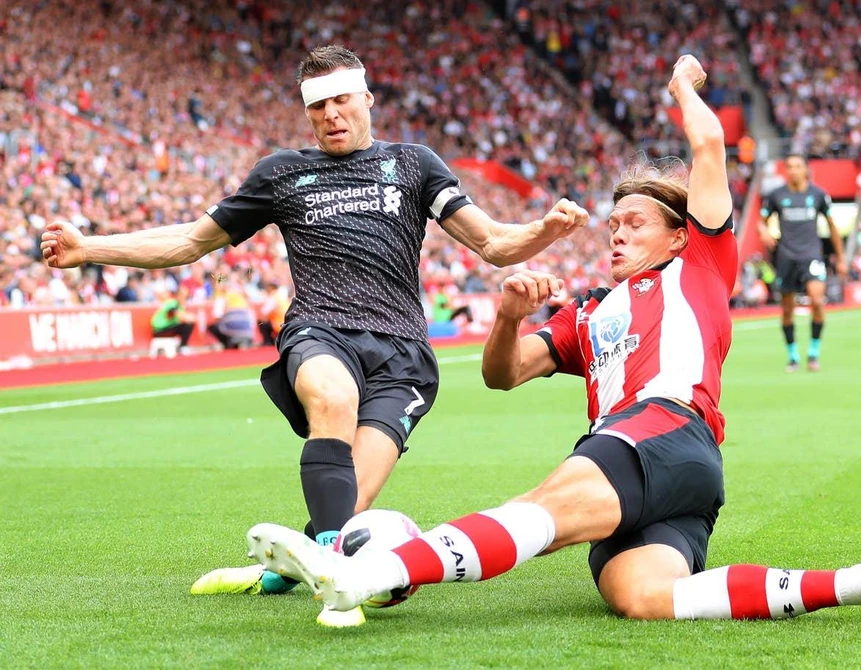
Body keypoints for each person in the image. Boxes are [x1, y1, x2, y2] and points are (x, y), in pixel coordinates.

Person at [243, 55, 861, 627]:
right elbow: (503, 374)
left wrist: (682, 88)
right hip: (676, 478)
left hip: (662, 428)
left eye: (635, 223)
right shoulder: (586, 312)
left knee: (540, 509)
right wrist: (509, 316)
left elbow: (706, 147)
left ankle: (366, 573)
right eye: (612, 224)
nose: (618, 233)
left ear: (680, 236)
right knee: (644, 597)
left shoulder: (700, 266)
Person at [40, 44, 588, 627]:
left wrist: (545, 229)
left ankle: (285, 571)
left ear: (367, 99)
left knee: (346, 510)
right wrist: (88, 248)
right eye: (317, 105)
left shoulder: (415, 165)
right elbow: (190, 241)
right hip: (320, 331)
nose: (331, 114)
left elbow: (495, 243)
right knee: (333, 398)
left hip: (403, 357)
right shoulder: (281, 173)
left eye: (341, 100)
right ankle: (339, 590)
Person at [759, 155, 846, 372]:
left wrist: (841, 258)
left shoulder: (817, 195)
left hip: (811, 254)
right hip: (786, 257)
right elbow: (761, 222)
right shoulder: (776, 195)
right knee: (787, 309)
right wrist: (764, 232)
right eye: (789, 167)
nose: (793, 170)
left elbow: (832, 226)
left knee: (817, 301)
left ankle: (813, 353)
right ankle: (793, 356)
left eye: (798, 166)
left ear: (806, 169)